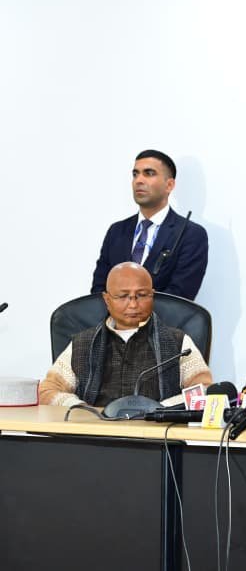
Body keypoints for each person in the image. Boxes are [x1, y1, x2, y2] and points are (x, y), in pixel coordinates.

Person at [40, 262, 211, 407]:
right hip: (96, 431)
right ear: (107, 300)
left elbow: (204, 390)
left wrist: (161, 409)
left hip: (157, 431)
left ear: (152, 296)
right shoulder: (83, 343)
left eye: (141, 295)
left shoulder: (179, 343)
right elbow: (47, 391)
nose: (133, 304)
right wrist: (81, 410)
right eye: (123, 296)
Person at [91, 149, 209, 300]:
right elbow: (99, 290)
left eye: (149, 173)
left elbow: (179, 297)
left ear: (169, 185)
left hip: (162, 316)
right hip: (112, 316)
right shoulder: (117, 231)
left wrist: (132, 311)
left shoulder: (190, 234)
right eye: (135, 174)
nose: (139, 180)